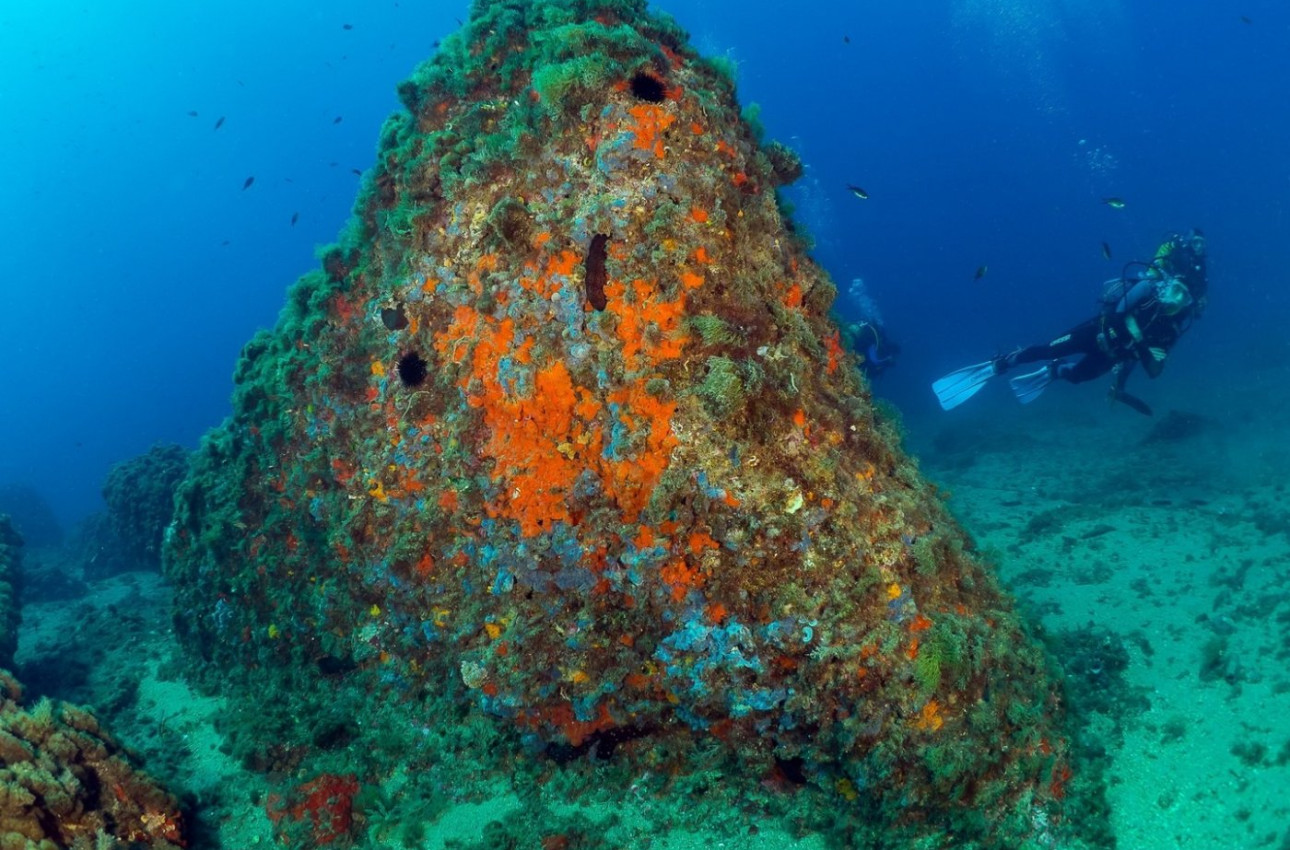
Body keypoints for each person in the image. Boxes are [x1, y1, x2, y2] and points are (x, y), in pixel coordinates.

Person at [932, 229, 1207, 416]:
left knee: (1076, 377)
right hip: (1095, 333)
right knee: (1048, 348)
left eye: (1183, 297)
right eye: (1175, 290)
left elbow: (1155, 371)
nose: (1176, 299)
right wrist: (1145, 346)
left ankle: (1055, 372)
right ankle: (1000, 363)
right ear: (1166, 286)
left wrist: (1148, 354)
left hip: (1111, 356)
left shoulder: (1172, 329)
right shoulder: (1148, 293)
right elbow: (1120, 311)